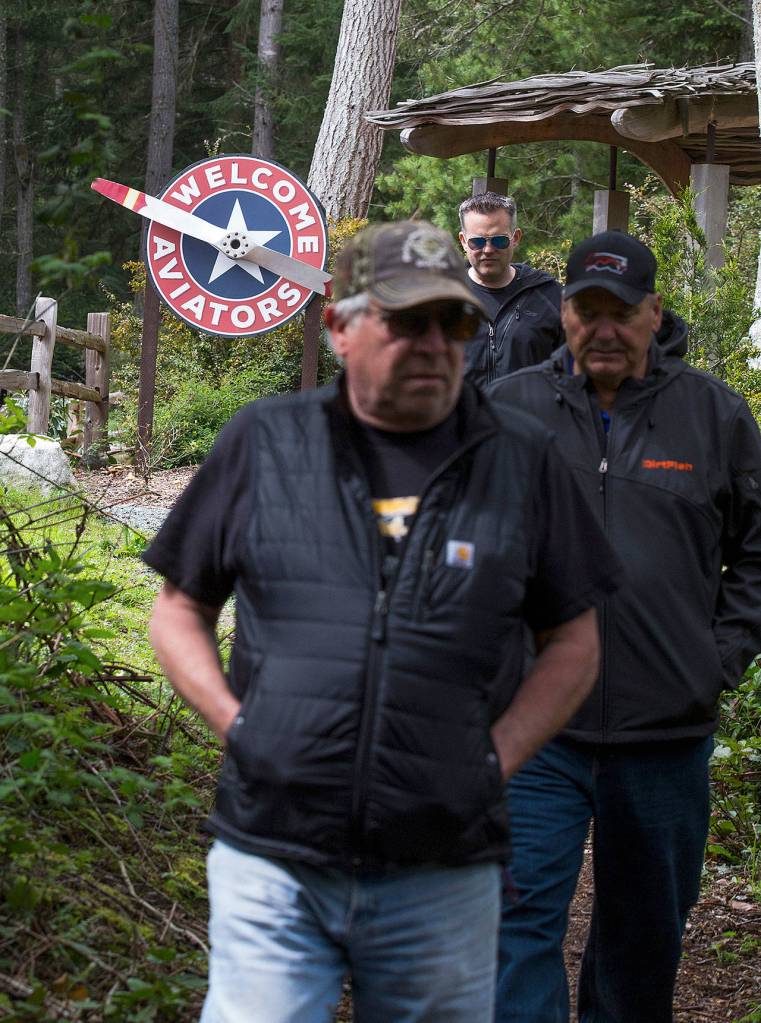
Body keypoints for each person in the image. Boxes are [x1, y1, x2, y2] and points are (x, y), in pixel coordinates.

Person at [143, 219, 621, 1023]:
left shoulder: (522, 457)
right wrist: (238, 724)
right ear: (340, 325)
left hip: (442, 861)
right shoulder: (266, 440)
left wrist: (493, 757)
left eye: (456, 322)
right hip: (274, 854)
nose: (436, 343)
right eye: (407, 321)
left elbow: (572, 640)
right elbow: (178, 607)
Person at [488, 229, 761, 1023]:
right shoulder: (507, 408)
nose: (601, 327)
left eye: (620, 311)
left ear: (653, 313)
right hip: (535, 730)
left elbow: (755, 551)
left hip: (664, 730)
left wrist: (716, 657)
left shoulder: (713, 415)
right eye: (585, 309)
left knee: (642, 936)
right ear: (564, 312)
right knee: (514, 918)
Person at [458, 191, 562, 387]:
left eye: (499, 240)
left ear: (515, 238)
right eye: (477, 242)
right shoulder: (444, 298)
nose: (488, 250)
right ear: (463, 241)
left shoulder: (549, 296)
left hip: (529, 416)